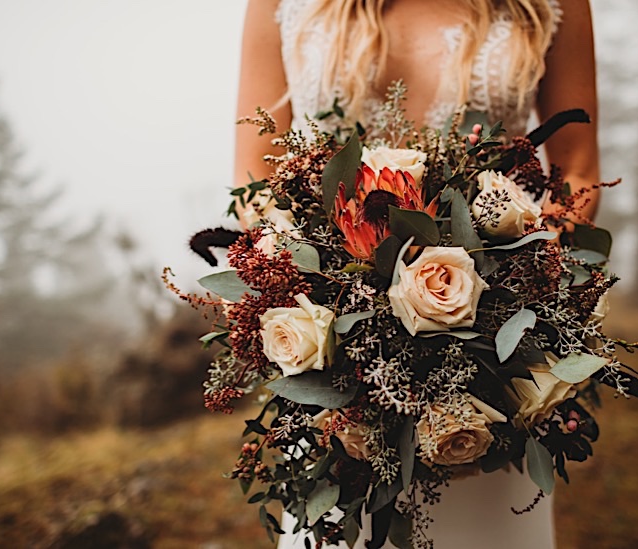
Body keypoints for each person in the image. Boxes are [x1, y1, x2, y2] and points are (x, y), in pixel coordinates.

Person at [234, 0, 600, 546]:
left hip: (495, 360)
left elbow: (577, 169)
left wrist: (519, 282)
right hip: (335, 363)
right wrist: (319, 295)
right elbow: (256, 179)